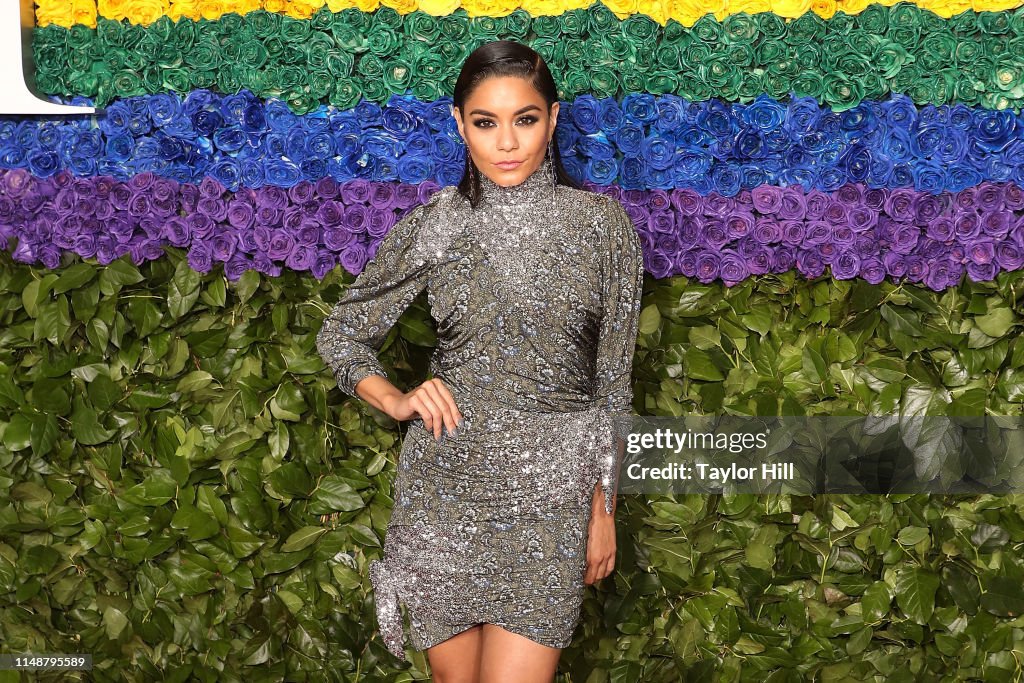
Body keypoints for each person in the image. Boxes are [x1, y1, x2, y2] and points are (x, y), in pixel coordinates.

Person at [316, 40, 644, 683]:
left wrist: (603, 507)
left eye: (524, 119)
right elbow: (342, 333)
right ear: (459, 124)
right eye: (486, 122)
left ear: (552, 119)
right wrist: (396, 398)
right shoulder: (438, 222)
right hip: (444, 488)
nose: (507, 142)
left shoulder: (604, 228)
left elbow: (612, 383)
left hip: (554, 495)